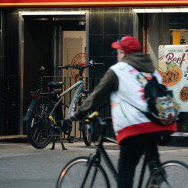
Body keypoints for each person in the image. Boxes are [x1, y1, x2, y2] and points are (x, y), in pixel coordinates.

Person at [72, 36, 176, 188]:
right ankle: (156, 171)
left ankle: (155, 172)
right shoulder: (152, 70)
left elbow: (96, 96)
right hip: (158, 124)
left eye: (119, 51)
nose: (117, 54)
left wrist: (79, 113)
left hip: (134, 128)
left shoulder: (118, 70)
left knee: (126, 170)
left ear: (124, 53)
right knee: (151, 155)